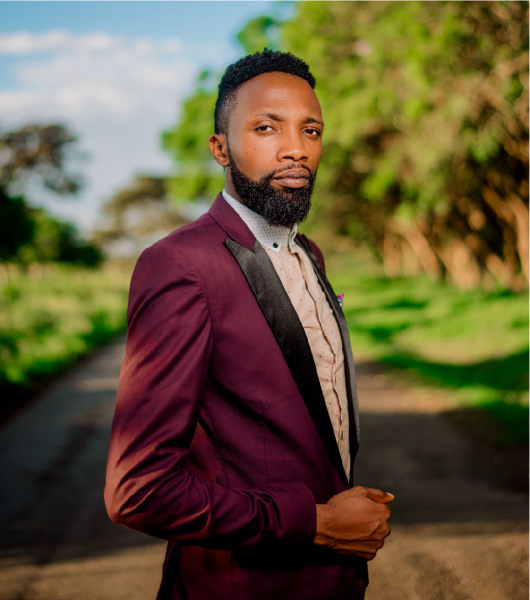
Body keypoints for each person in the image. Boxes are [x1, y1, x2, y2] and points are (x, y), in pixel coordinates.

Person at [105, 49, 393, 600]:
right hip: (243, 586)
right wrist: (316, 523)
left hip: (332, 581)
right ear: (221, 148)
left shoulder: (309, 254)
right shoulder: (181, 264)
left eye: (311, 130)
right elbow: (139, 489)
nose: (295, 148)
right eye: (266, 127)